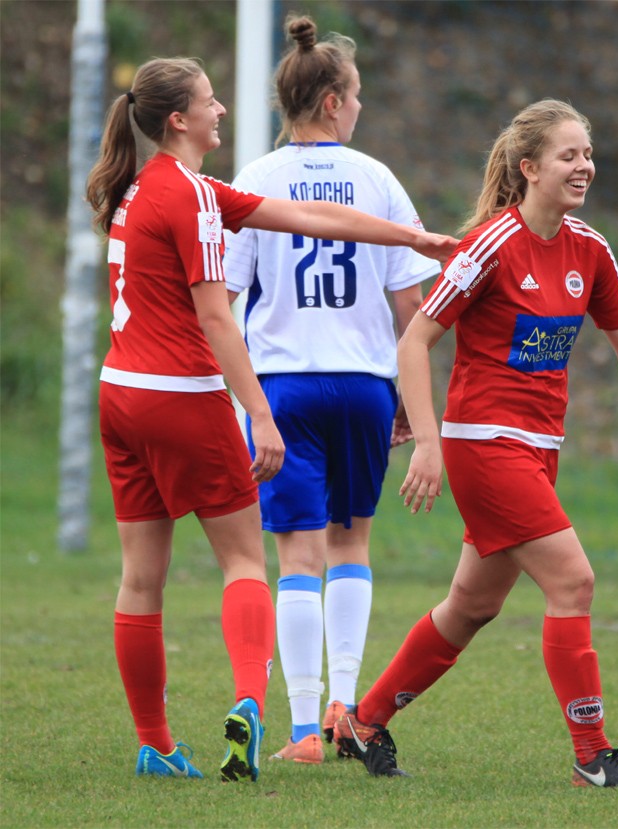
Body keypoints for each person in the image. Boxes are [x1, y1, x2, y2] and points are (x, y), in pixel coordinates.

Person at [331, 99, 618, 787]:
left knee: (472, 606)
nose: (584, 166)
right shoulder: (491, 245)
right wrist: (427, 441)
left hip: (539, 448)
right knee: (573, 581)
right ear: (529, 168)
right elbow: (415, 340)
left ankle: (362, 721)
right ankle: (593, 756)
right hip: (484, 444)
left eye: (588, 154)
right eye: (568, 155)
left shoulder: (590, 249)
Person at [85, 56, 456, 783]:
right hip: (182, 395)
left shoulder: (142, 188)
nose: (222, 108)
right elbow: (216, 317)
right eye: (210, 100)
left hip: (120, 393)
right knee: (246, 561)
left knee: (141, 579)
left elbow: (309, 217)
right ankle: (251, 707)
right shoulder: (192, 195)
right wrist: (259, 414)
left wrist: (409, 239)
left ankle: (156, 745)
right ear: (179, 120)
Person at [223, 16, 442, 766]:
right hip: (364, 387)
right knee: (352, 543)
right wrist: (410, 396)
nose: (360, 106)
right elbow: (412, 306)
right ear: (330, 102)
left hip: (285, 387)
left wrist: (242, 399)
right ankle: (345, 707)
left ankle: (302, 733)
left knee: (297, 558)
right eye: (356, 94)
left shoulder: (254, 180)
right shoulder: (377, 179)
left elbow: (225, 298)